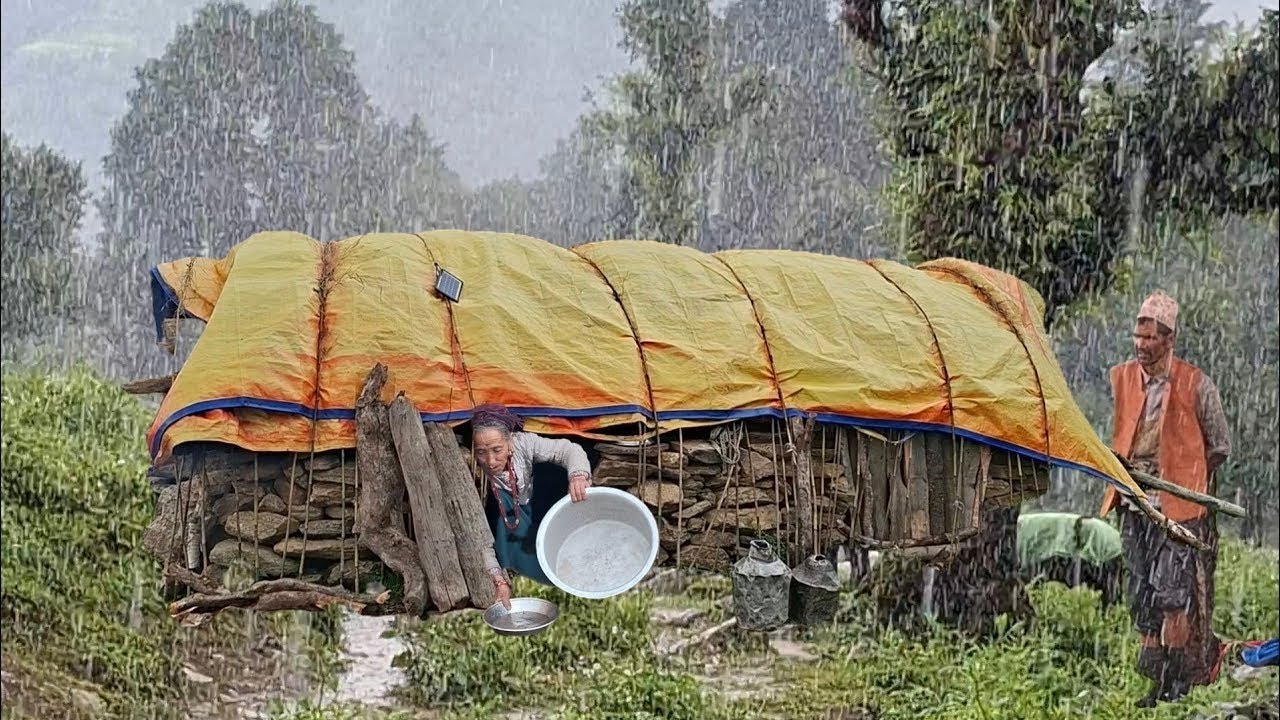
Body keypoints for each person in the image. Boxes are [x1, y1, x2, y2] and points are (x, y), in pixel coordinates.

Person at [1099, 291, 1232, 707]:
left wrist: (1187, 474)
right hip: (1134, 500)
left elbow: (1219, 446)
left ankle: (1177, 682)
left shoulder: (1196, 384)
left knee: (1173, 595)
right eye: (1137, 337)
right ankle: (1153, 682)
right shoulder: (1122, 377)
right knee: (1141, 593)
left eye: (1150, 338)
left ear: (1169, 340)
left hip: (1178, 507)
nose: (1141, 345)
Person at [470, 404, 593, 609]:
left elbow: (569, 450)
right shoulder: (473, 478)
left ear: (510, 441)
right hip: (508, 523)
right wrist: (498, 580)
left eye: (497, 450)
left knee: (549, 471)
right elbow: (481, 541)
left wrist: (578, 475)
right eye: (481, 452)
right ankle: (520, 569)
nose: (490, 461)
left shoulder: (525, 444)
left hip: (536, 509)